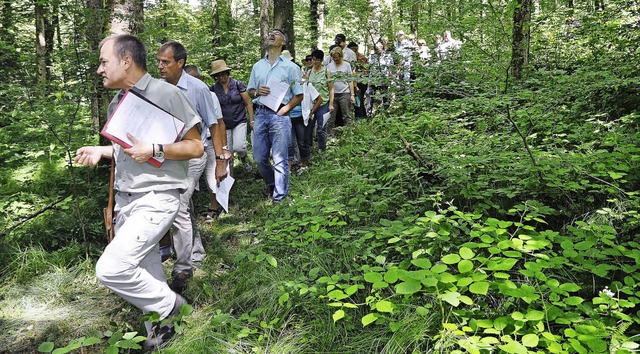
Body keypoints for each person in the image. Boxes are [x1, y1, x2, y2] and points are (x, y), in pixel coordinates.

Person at [74, 34, 203, 349]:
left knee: (111, 268)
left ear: (126, 60)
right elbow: (128, 151)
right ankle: (162, 336)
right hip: (126, 204)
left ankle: (173, 307)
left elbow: (196, 146)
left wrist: (157, 148)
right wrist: (103, 151)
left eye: (104, 62)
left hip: (156, 199)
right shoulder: (118, 102)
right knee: (149, 274)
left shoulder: (166, 94)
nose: (99, 69)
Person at [156, 41, 229, 294]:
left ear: (180, 63)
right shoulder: (159, 88)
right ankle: (195, 253)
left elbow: (216, 124)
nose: (160, 66)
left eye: (165, 62)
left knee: (178, 205)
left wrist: (221, 160)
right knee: (181, 207)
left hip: (195, 155)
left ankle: (184, 267)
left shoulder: (198, 89)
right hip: (169, 155)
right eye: (159, 61)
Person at [247, 28, 303, 203]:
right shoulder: (258, 66)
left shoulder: (291, 67)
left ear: (283, 43)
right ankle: (272, 184)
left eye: (276, 34)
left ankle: (280, 198)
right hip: (261, 114)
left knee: (280, 158)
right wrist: (256, 91)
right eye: (269, 33)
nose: (271, 35)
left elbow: (299, 95)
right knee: (259, 158)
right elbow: (249, 92)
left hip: (279, 115)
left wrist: (286, 109)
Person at [210, 59, 255, 177]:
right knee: (227, 151)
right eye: (217, 76)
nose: (221, 77)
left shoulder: (237, 84)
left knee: (239, 147)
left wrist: (252, 120)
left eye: (223, 74)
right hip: (224, 125)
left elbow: (248, 103)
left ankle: (244, 159)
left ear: (227, 73)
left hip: (239, 120)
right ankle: (230, 177)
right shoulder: (213, 89)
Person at [326, 46, 354, 137]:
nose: (335, 59)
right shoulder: (329, 66)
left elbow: (350, 80)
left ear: (341, 56)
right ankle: (330, 136)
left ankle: (349, 134)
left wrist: (352, 94)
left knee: (346, 114)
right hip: (333, 94)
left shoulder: (347, 65)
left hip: (344, 93)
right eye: (333, 57)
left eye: (337, 57)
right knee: (331, 116)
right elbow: (328, 81)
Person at [307, 49, 332, 151]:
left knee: (321, 129)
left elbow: (331, 89)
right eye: (313, 59)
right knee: (309, 128)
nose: (314, 62)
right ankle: (309, 149)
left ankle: (322, 149)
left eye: (317, 60)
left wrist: (331, 104)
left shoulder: (327, 72)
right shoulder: (309, 72)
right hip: (311, 104)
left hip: (323, 104)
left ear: (321, 60)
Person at [367, 37, 394, 115]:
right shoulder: (372, 55)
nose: (378, 47)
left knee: (385, 97)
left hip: (384, 79)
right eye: (377, 45)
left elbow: (391, 68)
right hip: (373, 79)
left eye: (380, 44)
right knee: (370, 96)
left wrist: (390, 78)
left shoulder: (388, 55)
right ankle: (368, 114)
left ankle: (386, 113)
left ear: (383, 45)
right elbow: (369, 67)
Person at [347, 41, 368, 119]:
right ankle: (361, 115)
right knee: (357, 99)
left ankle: (360, 116)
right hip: (352, 81)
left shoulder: (361, 58)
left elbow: (365, 71)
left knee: (359, 99)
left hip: (361, 81)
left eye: (354, 49)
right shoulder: (348, 58)